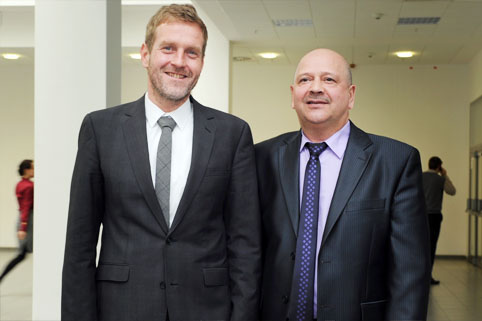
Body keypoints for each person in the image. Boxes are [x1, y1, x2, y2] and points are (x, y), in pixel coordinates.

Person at [62, 4, 261, 321]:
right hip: (122, 307)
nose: (179, 62)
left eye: (191, 53)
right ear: (145, 54)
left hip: (207, 309)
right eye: (168, 48)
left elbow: (245, 244)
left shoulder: (232, 134)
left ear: (202, 62)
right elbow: (79, 244)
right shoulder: (101, 129)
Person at [255, 48, 431, 321]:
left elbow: (409, 274)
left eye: (328, 80)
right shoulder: (261, 158)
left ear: (350, 95)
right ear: (292, 95)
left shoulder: (396, 162)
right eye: (305, 80)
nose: (315, 88)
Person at [422, 156, 456, 285]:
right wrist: (445, 175)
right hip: (434, 217)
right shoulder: (440, 179)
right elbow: (452, 191)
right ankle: (427, 276)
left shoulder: (420, 176)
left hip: (419, 216)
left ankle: (417, 276)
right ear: (439, 167)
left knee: (419, 246)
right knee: (431, 246)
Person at [0, 159, 34, 283]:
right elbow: (25, 207)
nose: (34, 170)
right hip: (28, 221)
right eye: (32, 168)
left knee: (22, 254)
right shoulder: (29, 186)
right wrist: (23, 228)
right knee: (21, 254)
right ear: (26, 170)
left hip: (23, 219)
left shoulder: (20, 184)